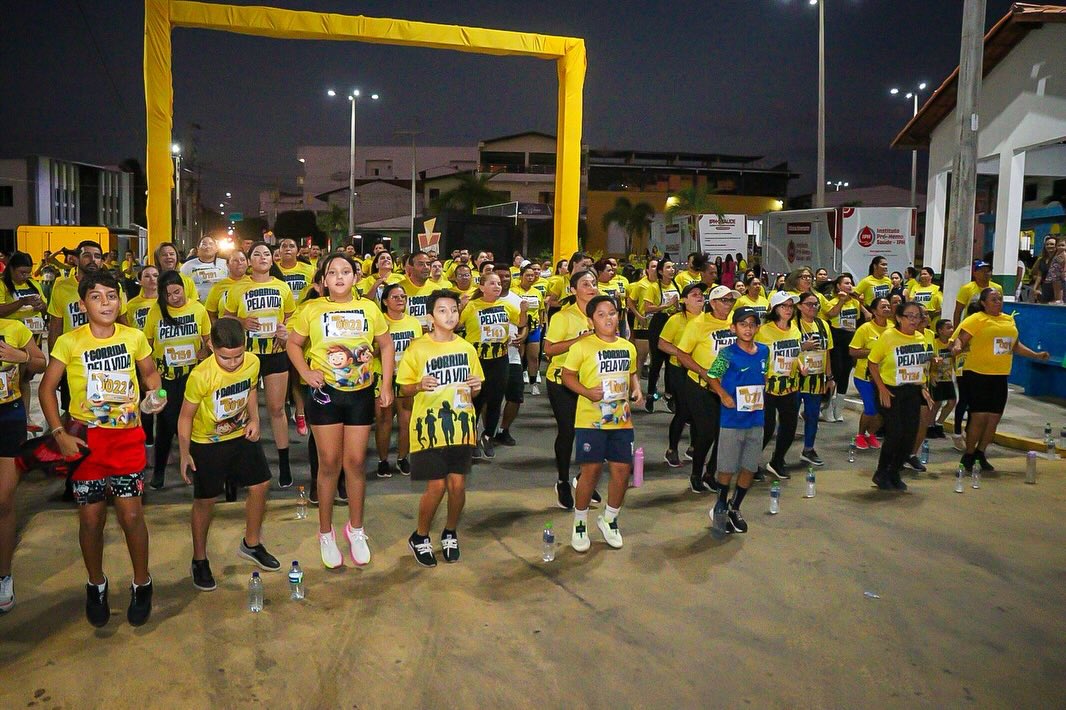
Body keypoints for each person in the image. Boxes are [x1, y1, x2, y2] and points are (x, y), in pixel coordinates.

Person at [39, 271, 166, 627]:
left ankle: (142, 582)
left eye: (112, 296)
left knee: (131, 516)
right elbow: (46, 389)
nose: (106, 303)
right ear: (83, 305)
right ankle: (96, 583)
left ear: (121, 301)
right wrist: (60, 433)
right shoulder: (68, 341)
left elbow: (151, 375)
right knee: (91, 520)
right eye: (97, 297)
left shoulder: (134, 337)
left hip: (126, 439)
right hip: (86, 443)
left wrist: (155, 395)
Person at [287, 252, 393, 568]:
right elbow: (293, 344)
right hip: (324, 396)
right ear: (323, 280)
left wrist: (386, 385)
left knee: (356, 462)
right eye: (332, 272)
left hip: (360, 395)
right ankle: (325, 532)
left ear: (356, 277)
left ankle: (355, 529)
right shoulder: (312, 310)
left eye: (346, 271)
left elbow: (386, 345)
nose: (339, 277)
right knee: (329, 463)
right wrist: (306, 374)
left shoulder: (370, 309)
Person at [177, 318, 280, 591]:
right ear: (211, 346)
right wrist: (185, 453)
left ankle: (252, 543)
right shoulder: (200, 376)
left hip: (240, 436)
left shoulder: (253, 362)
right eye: (226, 357)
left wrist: (255, 420)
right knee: (205, 501)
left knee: (260, 485)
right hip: (207, 443)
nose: (233, 363)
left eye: (238, 356)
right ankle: (199, 559)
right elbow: (185, 416)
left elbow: (249, 392)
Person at [397, 290, 484, 567]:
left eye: (454, 310)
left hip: (462, 426)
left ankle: (450, 531)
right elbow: (403, 388)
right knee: (436, 486)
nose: (450, 315)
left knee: (457, 485)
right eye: (443, 310)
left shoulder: (467, 348)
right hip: (428, 427)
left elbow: (476, 387)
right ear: (430, 316)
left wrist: (476, 387)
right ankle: (420, 536)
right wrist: (419, 385)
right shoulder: (418, 348)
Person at [561, 295, 643, 552]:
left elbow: (631, 372)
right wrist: (586, 391)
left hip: (622, 421)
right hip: (590, 421)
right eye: (602, 314)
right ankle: (580, 522)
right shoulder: (583, 347)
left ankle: (610, 519)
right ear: (591, 320)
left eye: (612, 313)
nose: (609, 318)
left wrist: (637, 388)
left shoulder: (627, 346)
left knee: (622, 471)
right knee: (591, 473)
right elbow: (567, 376)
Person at [222, 242, 297, 487]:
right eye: (257, 254)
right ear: (249, 261)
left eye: (266, 254)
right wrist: (242, 322)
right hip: (247, 357)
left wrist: (286, 331)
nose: (262, 257)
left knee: (277, 409)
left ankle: (284, 463)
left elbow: (291, 318)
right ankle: (241, 464)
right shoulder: (238, 288)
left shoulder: (282, 287)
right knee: (241, 411)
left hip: (275, 354)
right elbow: (226, 318)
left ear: (271, 260)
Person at [951, 288, 1050, 473]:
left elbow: (1015, 345)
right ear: (983, 303)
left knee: (994, 418)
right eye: (993, 299)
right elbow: (960, 340)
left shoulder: (1008, 319)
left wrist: (1036, 355)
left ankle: (981, 453)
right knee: (979, 417)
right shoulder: (976, 319)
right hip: (977, 374)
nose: (998, 302)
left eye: (1000, 299)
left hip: (1000, 375)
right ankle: (969, 454)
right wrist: (956, 348)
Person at [143, 271, 211, 490]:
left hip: (193, 376)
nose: (174, 297)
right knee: (165, 424)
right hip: (166, 378)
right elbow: (147, 346)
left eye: (177, 291)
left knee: (197, 423)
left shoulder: (198, 309)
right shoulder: (155, 312)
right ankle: (159, 471)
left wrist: (205, 351)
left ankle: (198, 467)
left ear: (184, 288)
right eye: (168, 294)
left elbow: (208, 341)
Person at [705, 307, 769, 535]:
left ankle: (735, 506)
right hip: (732, 420)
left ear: (757, 328)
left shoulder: (763, 351)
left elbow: (764, 375)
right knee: (726, 467)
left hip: (756, 417)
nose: (748, 328)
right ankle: (720, 504)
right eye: (743, 324)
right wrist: (724, 395)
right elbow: (712, 376)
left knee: (749, 467)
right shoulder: (727, 354)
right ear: (733, 328)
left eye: (752, 324)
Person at [0, 315, 46, 613]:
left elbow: (41, 363)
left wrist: (22, 356)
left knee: (3, 500)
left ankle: (3, 575)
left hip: (8, 418)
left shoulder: (13, 328)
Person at [544, 270, 599, 509]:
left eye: (593, 283)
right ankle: (563, 480)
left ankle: (583, 478)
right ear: (574, 290)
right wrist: (581, 339)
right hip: (561, 382)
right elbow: (550, 349)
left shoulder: (601, 314)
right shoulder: (563, 317)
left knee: (592, 432)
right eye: (585, 284)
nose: (591, 287)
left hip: (590, 383)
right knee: (567, 431)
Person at [676, 285, 739, 491]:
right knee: (706, 432)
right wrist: (703, 371)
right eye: (724, 300)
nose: (729, 304)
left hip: (727, 385)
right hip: (700, 385)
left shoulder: (734, 323)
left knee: (725, 433)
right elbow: (682, 354)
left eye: (731, 301)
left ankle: (711, 472)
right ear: (712, 303)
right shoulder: (698, 323)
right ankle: (696, 472)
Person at [867, 301, 935, 490]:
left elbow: (917, 366)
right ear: (898, 318)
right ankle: (882, 472)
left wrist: (923, 386)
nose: (914, 320)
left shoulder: (920, 338)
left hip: (912, 390)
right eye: (909, 316)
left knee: (910, 434)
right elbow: (872, 363)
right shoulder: (888, 336)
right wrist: (881, 388)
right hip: (890, 389)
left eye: (917, 316)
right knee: (895, 433)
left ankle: (895, 472)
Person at [459, 271, 526, 458]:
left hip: (500, 358)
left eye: (499, 283)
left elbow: (521, 322)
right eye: (492, 283)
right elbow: (456, 325)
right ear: (482, 287)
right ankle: (470, 438)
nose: (497, 286)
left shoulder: (506, 305)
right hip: (477, 359)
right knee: (476, 400)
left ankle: (488, 435)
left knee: (496, 399)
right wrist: (460, 307)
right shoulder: (472, 305)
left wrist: (524, 310)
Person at [657, 282, 706, 469]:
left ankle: (694, 447)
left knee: (699, 411)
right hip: (679, 370)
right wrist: (682, 354)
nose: (699, 296)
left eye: (701, 293)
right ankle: (672, 449)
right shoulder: (676, 320)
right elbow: (662, 344)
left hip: (701, 369)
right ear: (684, 300)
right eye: (694, 294)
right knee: (684, 410)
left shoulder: (707, 319)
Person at [755, 291, 803, 480]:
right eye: (784, 306)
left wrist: (800, 365)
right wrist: (762, 375)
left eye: (791, 306)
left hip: (790, 386)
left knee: (789, 427)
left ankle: (777, 461)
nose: (788, 310)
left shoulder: (795, 329)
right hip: (768, 387)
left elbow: (795, 353)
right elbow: (755, 355)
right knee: (766, 428)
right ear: (774, 308)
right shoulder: (763, 331)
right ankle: (750, 463)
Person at [374, 283, 419, 476]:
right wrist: (384, 346)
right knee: (383, 419)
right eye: (395, 297)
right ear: (385, 301)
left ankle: (402, 458)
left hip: (406, 376)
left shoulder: (413, 323)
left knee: (406, 420)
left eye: (403, 297)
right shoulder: (379, 322)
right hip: (383, 376)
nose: (401, 300)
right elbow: (372, 352)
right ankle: (382, 460)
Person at [0, 252, 48, 428]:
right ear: (11, 269)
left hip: (32, 335)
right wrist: (21, 302)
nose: (25, 276)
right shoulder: (3, 285)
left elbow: (44, 307)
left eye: (28, 272)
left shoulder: (33, 284)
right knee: (13, 377)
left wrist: (41, 306)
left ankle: (25, 417)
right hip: (9, 337)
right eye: (21, 272)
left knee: (26, 377)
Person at [795, 291, 834, 466]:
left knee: (812, 416)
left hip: (816, 378)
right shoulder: (793, 325)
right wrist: (803, 346)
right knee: (788, 419)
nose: (813, 307)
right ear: (799, 306)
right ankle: (778, 454)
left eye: (816, 304)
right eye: (809, 304)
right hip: (795, 378)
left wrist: (829, 377)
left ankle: (808, 449)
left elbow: (827, 352)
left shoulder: (823, 324)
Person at [494, 262, 530, 448]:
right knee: (490, 398)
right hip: (489, 358)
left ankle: (503, 430)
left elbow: (525, 326)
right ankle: (488, 430)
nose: (503, 279)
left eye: (506, 276)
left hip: (513, 355)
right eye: (499, 276)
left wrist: (522, 337)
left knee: (515, 396)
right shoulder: (482, 299)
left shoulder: (517, 300)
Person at [849, 297, 892, 450]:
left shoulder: (893, 328)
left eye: (888, 306)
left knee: (882, 410)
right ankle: (860, 435)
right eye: (883, 306)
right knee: (870, 408)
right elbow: (853, 351)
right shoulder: (865, 328)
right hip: (864, 376)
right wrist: (873, 352)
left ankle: (871, 434)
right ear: (874, 311)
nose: (887, 309)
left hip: (886, 376)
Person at [820, 272, 862, 422]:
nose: (849, 285)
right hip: (837, 338)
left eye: (851, 283)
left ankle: (839, 408)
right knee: (836, 373)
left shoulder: (856, 303)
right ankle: (827, 407)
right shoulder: (832, 301)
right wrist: (841, 302)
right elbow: (831, 315)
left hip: (850, 338)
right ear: (838, 286)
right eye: (846, 283)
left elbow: (856, 319)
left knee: (846, 373)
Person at [641, 257, 680, 412]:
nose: (672, 270)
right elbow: (647, 308)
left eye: (673, 267)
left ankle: (669, 396)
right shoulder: (653, 287)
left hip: (674, 323)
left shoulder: (677, 284)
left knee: (672, 364)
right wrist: (666, 305)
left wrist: (677, 307)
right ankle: (650, 395)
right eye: (668, 267)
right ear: (660, 271)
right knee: (656, 364)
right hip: (659, 323)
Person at [513, 264, 545, 394]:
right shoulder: (514, 291)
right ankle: (518, 381)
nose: (530, 278)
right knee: (519, 356)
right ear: (521, 276)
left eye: (532, 275)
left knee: (533, 356)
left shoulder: (537, 292)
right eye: (527, 275)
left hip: (534, 329)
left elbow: (542, 309)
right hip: (520, 328)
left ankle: (533, 383)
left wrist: (543, 322)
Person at [927, 318, 957, 439]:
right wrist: (931, 375)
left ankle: (939, 423)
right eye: (948, 327)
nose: (951, 330)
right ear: (940, 330)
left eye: (952, 327)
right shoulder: (934, 343)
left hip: (948, 377)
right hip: (936, 377)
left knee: (951, 401)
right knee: (936, 403)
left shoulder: (953, 343)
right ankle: (930, 425)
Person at [204, 249, 249, 323]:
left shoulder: (254, 282)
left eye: (243, 260)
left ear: (248, 263)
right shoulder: (218, 286)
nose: (240, 263)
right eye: (235, 260)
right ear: (227, 264)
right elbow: (209, 313)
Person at [953, 260, 1003, 324]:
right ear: (975, 273)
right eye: (982, 271)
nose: (986, 273)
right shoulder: (967, 288)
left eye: (988, 271)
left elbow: (1000, 308)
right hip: (971, 324)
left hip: (991, 324)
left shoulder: (997, 288)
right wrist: (956, 330)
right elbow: (958, 311)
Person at [180, 237, 228, 302]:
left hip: (222, 306)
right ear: (198, 249)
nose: (208, 246)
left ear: (216, 248)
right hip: (197, 307)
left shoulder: (226, 264)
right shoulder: (187, 266)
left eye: (211, 244)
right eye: (204, 244)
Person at [399, 251, 437, 333]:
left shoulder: (436, 289)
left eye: (428, 264)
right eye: (421, 264)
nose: (426, 267)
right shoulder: (399, 289)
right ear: (410, 268)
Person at [1030, 236, 1057, 303]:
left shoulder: (1059, 259)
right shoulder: (1042, 260)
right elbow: (1039, 275)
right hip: (1045, 287)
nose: (1049, 246)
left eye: (1052, 244)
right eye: (1047, 244)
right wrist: (1034, 288)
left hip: (1056, 288)